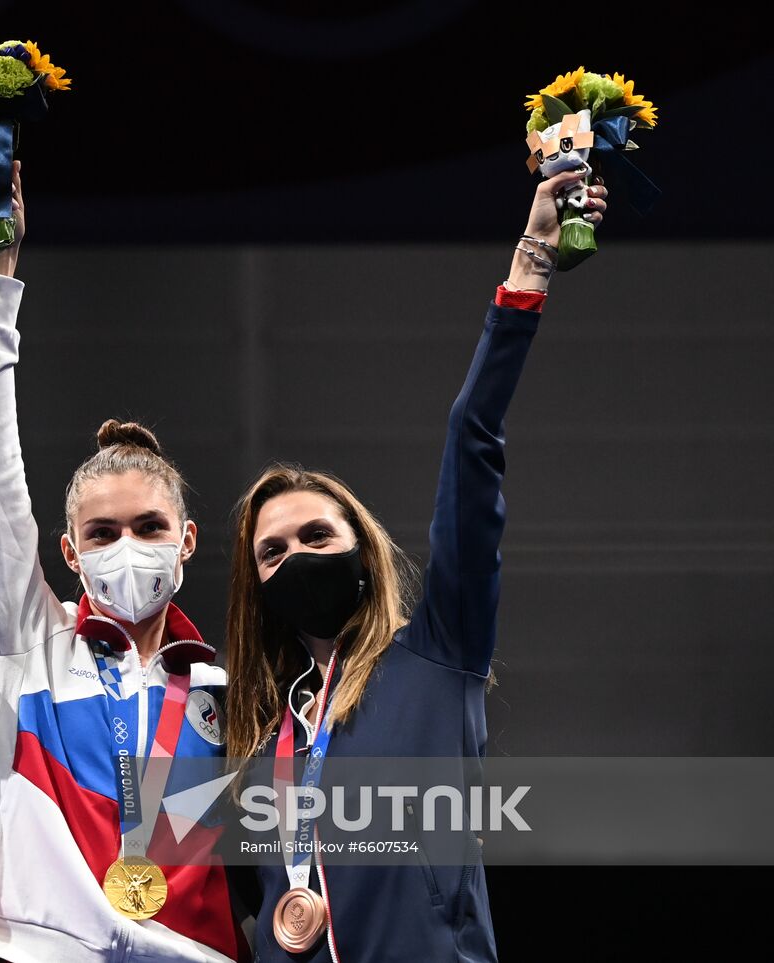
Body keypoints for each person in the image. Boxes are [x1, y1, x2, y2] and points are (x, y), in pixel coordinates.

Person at [223, 167, 607, 961]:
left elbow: (473, 442)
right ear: (255, 588)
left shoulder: (438, 651)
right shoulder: (257, 747)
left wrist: (531, 262)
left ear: (362, 550)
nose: (296, 556)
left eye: (317, 537)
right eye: (273, 551)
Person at [0, 163, 246, 962]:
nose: (128, 546)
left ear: (186, 542)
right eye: (104, 531)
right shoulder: (33, 645)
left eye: (149, 525)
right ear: (69, 552)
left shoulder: (231, 688)